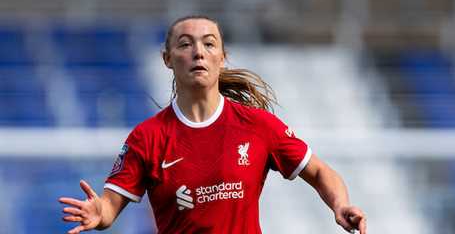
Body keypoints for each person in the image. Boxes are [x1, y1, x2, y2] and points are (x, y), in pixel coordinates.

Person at [59, 16, 367, 234]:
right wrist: (100, 213)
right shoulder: (148, 137)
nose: (198, 52)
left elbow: (320, 172)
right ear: (167, 58)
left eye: (209, 44)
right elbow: (110, 208)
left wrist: (340, 205)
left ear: (222, 57)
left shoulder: (257, 125)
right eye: (185, 44)